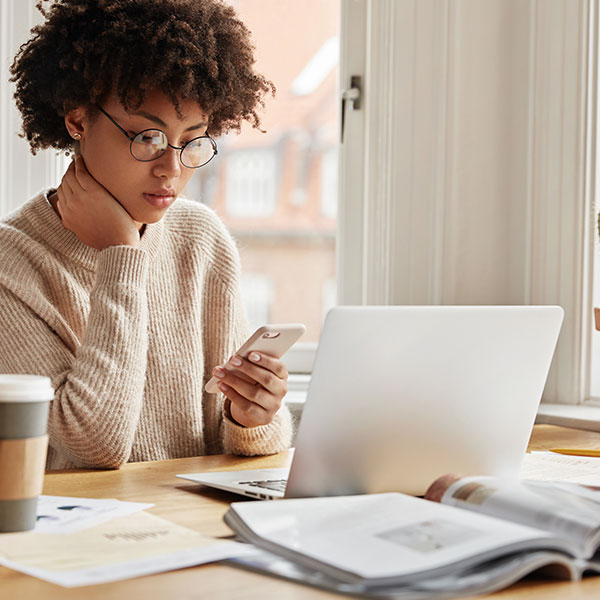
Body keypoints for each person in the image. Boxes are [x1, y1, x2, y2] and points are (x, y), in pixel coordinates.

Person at [1, 0, 293, 469]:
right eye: (148, 138)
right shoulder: (11, 263)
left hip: (194, 528)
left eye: (192, 140)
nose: (171, 169)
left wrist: (251, 416)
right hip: (79, 539)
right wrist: (122, 254)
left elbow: (240, 445)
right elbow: (94, 446)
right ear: (78, 120)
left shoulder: (200, 238)